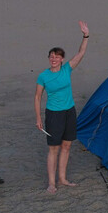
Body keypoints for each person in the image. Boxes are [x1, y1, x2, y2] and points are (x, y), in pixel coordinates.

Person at [34, 21, 90, 193]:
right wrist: (38, 118)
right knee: (54, 149)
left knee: (66, 146)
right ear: (49, 58)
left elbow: (81, 53)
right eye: (51, 56)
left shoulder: (67, 70)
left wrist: (86, 35)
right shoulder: (43, 76)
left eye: (57, 57)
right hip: (53, 115)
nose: (54, 59)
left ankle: (63, 179)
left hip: (69, 112)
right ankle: (52, 182)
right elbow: (37, 97)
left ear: (62, 59)